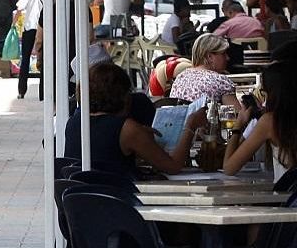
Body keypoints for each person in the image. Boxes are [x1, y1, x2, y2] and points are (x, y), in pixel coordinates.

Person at [64, 62, 205, 180]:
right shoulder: (126, 129)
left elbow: (104, 155)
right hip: (117, 202)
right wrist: (190, 125)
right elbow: (173, 166)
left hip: (83, 199)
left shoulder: (74, 123)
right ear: (123, 96)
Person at [223, 59, 297, 176]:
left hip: (286, 193)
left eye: (263, 92)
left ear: (271, 93)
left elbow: (229, 168)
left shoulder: (270, 121)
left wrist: (238, 124)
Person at [168, 33, 238, 105]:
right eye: (223, 53)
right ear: (209, 57)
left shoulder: (180, 78)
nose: (227, 58)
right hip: (203, 116)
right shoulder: (221, 81)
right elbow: (235, 114)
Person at [13, 0, 45, 100]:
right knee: (44, 60)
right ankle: (43, 92)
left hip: (30, 28)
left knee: (25, 59)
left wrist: (13, 25)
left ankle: (22, 91)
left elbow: (19, 8)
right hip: (43, 29)